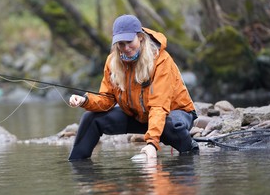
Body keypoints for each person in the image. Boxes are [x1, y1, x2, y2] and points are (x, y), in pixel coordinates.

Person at [68, 14, 198, 161]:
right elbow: (107, 99)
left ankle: (190, 151)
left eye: (129, 42)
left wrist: (152, 144)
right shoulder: (113, 61)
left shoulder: (161, 61)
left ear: (140, 37)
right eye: (120, 44)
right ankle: (77, 164)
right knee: (91, 118)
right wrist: (85, 100)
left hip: (175, 112)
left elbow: (159, 106)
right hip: (139, 115)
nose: (126, 48)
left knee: (170, 126)